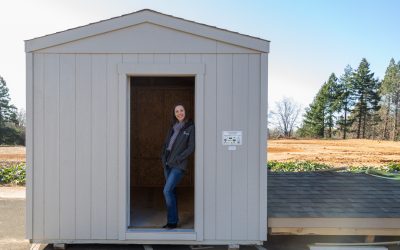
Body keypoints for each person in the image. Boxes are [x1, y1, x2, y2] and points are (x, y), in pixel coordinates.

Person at [160, 104, 195, 229]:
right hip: (168, 163)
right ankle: (172, 221)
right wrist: (163, 157)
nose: (179, 113)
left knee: (167, 190)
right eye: (177, 111)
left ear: (185, 112)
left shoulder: (190, 127)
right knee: (172, 191)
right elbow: (166, 143)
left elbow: (191, 147)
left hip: (179, 165)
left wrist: (179, 158)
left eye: (181, 110)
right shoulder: (173, 127)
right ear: (174, 113)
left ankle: (172, 221)